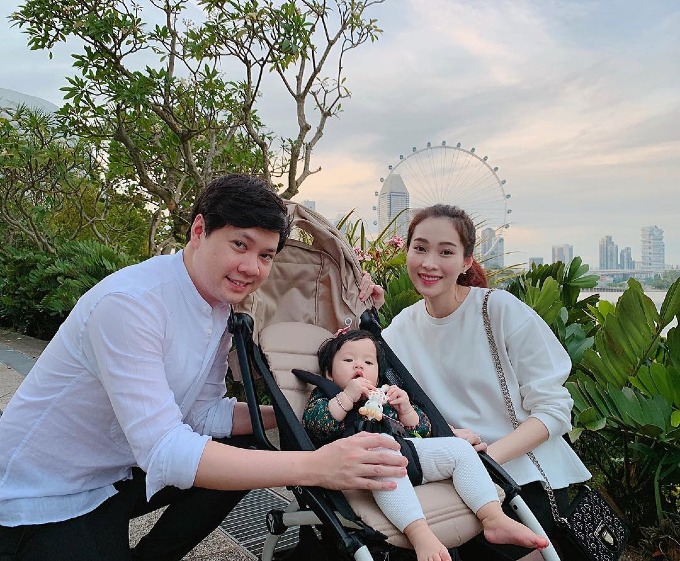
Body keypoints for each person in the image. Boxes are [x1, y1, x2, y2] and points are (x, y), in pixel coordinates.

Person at [0, 174, 408, 561]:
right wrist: (319, 467)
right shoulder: (131, 304)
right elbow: (166, 450)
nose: (252, 267)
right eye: (239, 245)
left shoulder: (216, 305)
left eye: (265, 255)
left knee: (250, 447)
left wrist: (294, 414)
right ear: (199, 231)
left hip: (114, 472)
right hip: (45, 493)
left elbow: (202, 413)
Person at [365, 204, 591, 560]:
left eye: (446, 252)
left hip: (524, 477)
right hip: (452, 482)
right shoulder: (399, 330)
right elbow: (358, 374)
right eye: (420, 248)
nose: (429, 263)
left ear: (466, 261)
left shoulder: (499, 310)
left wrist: (485, 460)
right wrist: (363, 310)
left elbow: (555, 410)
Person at [303, 329, 549, 561]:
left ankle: (494, 518)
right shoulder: (326, 396)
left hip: (408, 453)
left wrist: (406, 410)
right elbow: (318, 425)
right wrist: (347, 396)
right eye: (348, 360)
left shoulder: (385, 395)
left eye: (368, 362)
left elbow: (422, 431)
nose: (359, 366)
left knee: (460, 449)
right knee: (381, 450)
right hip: (366, 464)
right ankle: (420, 535)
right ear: (329, 373)